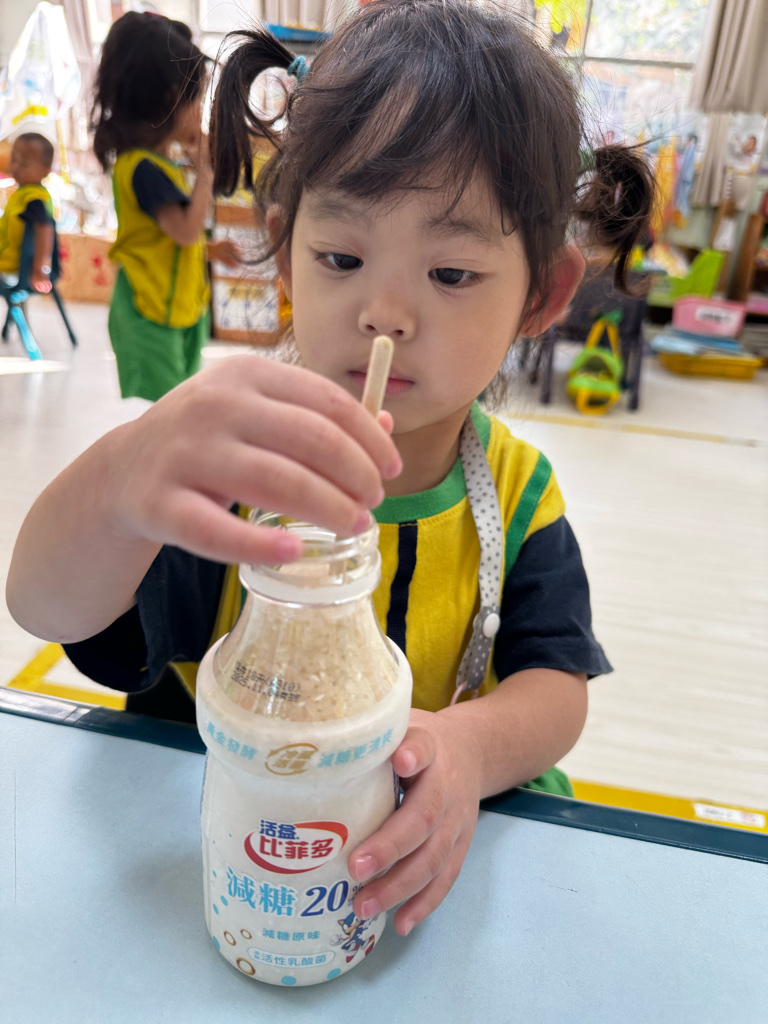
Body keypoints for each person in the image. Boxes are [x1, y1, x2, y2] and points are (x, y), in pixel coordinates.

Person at [7, 0, 653, 939]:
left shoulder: (519, 495)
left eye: (451, 274)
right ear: (287, 255)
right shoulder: (230, 481)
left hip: (428, 897)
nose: (384, 311)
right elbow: (45, 608)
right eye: (342, 256)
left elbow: (555, 685)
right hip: (241, 879)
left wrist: (471, 748)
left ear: (541, 294)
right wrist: (120, 482)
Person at [91, 12, 239, 402]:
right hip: (151, 314)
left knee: (180, 406)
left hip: (177, 310)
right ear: (173, 99)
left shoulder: (156, 165)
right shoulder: (143, 169)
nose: (201, 110)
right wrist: (205, 172)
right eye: (198, 98)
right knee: (171, 411)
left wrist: (211, 250)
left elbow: (166, 238)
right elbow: (186, 230)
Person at [0, 132, 55, 293]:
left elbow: (45, 230)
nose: (16, 167)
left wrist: (39, 269)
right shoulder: (23, 192)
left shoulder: (34, 199)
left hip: (10, 267)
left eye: (24, 164)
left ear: (45, 171)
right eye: (14, 160)